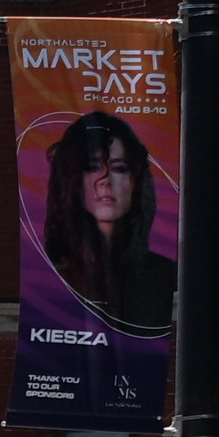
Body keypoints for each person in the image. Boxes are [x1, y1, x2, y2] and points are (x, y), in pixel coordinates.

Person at [42, 108, 177, 334]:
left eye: (119, 168)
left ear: (135, 181)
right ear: (71, 178)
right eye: (92, 167)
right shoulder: (49, 275)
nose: (105, 180)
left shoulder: (163, 275)